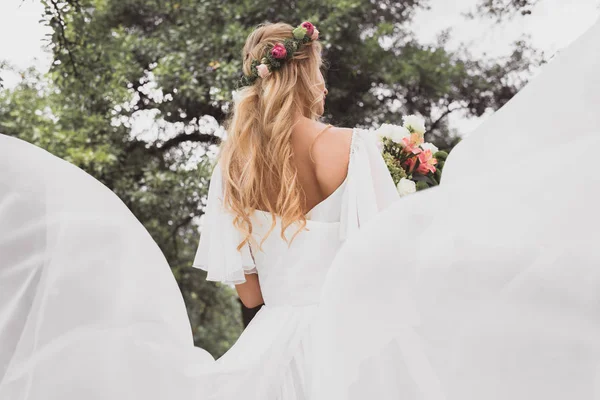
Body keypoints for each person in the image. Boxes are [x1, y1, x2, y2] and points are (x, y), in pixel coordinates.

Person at [0, 17, 599, 400]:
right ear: (310, 72)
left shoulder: (237, 165)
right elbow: (391, 255)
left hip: (273, 350)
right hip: (355, 336)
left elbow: (252, 296)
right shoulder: (360, 148)